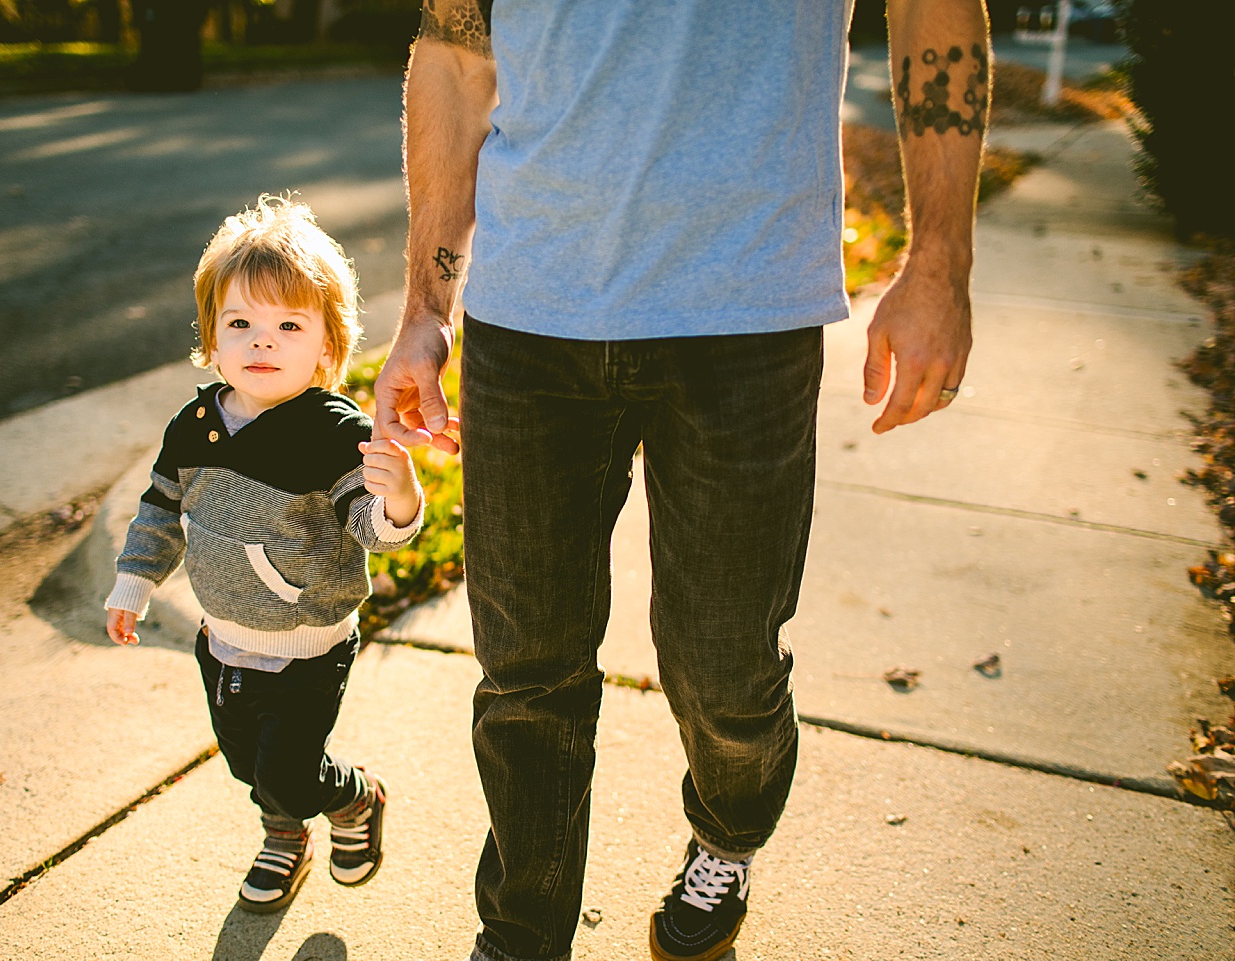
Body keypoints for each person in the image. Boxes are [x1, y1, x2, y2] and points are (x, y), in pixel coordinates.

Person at [377, 2, 988, 960]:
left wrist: (940, 263)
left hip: (746, 306)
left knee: (725, 669)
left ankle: (727, 834)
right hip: (532, 306)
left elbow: (930, 10)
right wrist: (425, 305)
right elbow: (456, 57)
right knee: (525, 668)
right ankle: (521, 929)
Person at [104, 195, 424, 913]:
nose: (261, 342)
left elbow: (372, 524)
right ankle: (285, 829)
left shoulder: (330, 430)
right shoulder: (193, 425)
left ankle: (354, 797)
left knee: (287, 763)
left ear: (327, 345)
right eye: (240, 323)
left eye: (288, 325)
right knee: (249, 763)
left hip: (308, 645)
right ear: (212, 338)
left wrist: (400, 495)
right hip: (223, 639)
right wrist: (134, 582)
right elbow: (160, 508)